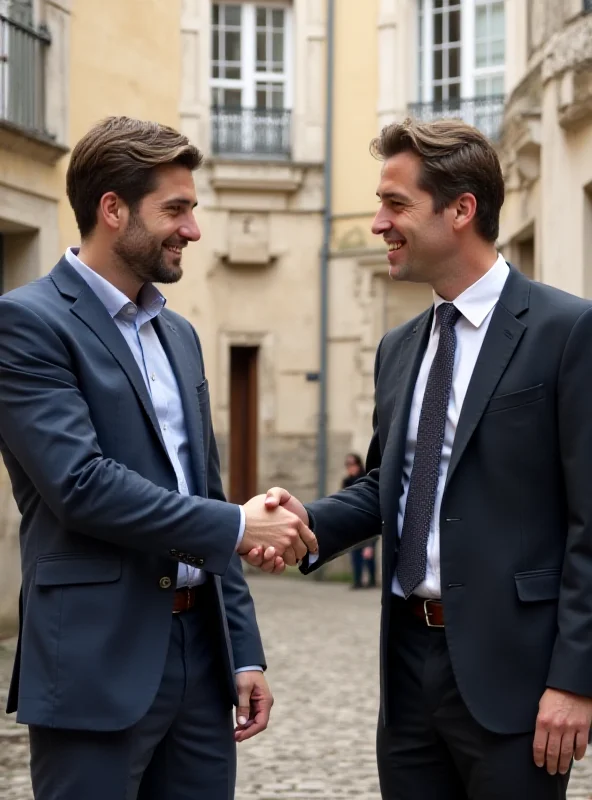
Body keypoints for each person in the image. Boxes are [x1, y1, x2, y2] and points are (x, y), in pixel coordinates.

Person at [254, 118, 592, 799]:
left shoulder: (567, 331)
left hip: (515, 677)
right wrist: (304, 522)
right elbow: (391, 484)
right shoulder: (399, 347)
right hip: (408, 666)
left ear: (461, 209)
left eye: (395, 204)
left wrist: (575, 679)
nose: (378, 222)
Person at [0, 116, 316, 800]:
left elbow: (203, 487)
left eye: (192, 210)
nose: (193, 230)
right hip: (93, 662)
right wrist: (238, 526)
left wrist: (244, 650)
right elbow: (79, 484)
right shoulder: (27, 323)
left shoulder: (180, 335)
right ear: (112, 209)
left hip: (200, 665)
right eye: (176, 209)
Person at [342, 453, 377, 589]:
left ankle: (372, 581)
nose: (350, 468)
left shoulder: (365, 479)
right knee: (355, 553)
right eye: (348, 465)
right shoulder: (346, 481)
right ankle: (357, 580)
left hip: (367, 520)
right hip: (352, 521)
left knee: (368, 553)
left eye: (352, 464)